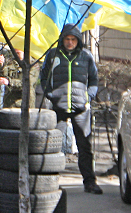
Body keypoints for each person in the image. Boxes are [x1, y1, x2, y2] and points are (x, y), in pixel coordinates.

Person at [40, 24, 101, 194]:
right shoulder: (53, 55)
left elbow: (94, 80)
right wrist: (51, 95)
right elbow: (43, 77)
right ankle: (49, 182)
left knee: (85, 147)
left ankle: (89, 182)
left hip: (80, 108)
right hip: (58, 107)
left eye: (73, 39)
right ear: (62, 40)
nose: (70, 42)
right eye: (67, 39)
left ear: (78, 40)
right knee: (52, 147)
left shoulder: (86, 57)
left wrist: (89, 96)